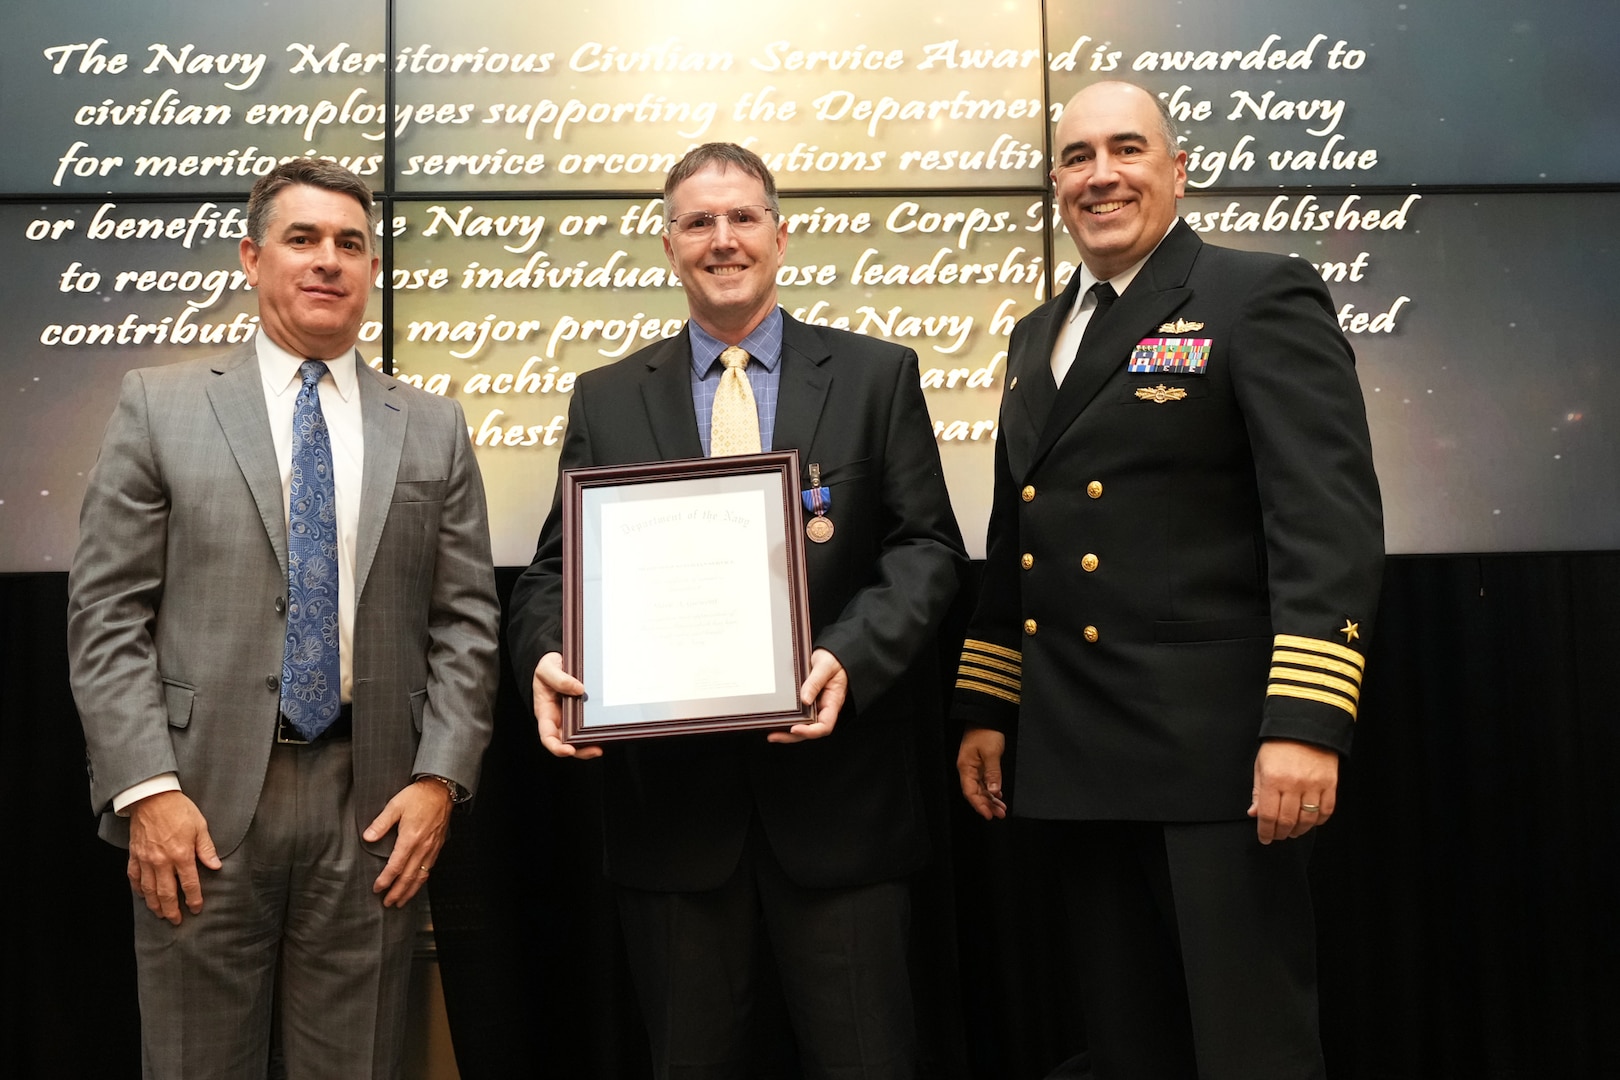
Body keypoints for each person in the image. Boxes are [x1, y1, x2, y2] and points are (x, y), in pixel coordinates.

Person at [952, 82, 1384, 1080]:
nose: (1100, 175)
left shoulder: (1256, 294)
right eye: (1076, 158)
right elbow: (1023, 530)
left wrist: (1305, 725)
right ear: (1056, 184)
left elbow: (1325, 524)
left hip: (1221, 761)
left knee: (1249, 1049)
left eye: (1126, 149)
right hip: (1077, 750)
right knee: (1128, 1046)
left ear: (1175, 170)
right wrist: (988, 702)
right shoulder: (1034, 336)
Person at [507, 142, 965, 1079]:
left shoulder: (878, 377)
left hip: (840, 810)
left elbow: (925, 550)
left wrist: (847, 657)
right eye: (699, 222)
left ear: (780, 234)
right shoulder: (604, 396)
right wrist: (547, 656)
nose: (723, 240)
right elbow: (556, 570)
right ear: (668, 244)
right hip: (672, 822)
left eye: (743, 218)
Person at [67, 158, 501, 1079]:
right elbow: (106, 614)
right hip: (198, 808)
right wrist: (146, 789)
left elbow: (466, 622)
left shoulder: (432, 425)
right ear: (251, 258)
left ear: (372, 268)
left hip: (374, 810)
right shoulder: (160, 404)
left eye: (350, 243)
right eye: (301, 239)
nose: (327, 261)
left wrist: (439, 781)